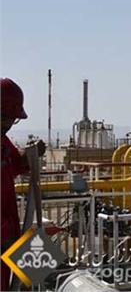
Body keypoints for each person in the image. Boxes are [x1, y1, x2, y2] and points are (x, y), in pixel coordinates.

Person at [1, 78, 45, 291]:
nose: (8, 125)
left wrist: (29, 155)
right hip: (5, 236)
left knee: (35, 275)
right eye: (4, 118)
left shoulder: (2, 141)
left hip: (8, 234)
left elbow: (12, 163)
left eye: (12, 120)